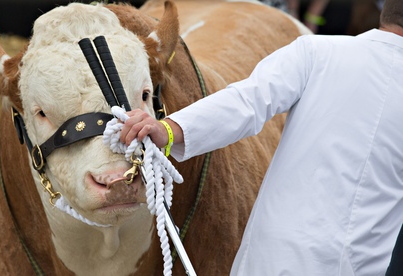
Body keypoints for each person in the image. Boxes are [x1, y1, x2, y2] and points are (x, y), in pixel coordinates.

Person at [120, 0, 403, 274]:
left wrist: (169, 129)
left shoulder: (317, 52)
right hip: (367, 264)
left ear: (385, 14)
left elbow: (246, 102)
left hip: (275, 256)